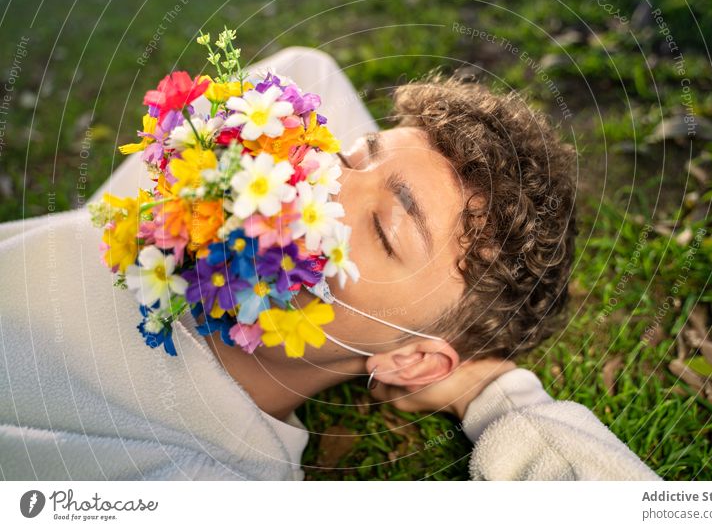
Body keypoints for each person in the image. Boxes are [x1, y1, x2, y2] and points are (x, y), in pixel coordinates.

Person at [0, 47, 660, 481]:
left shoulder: (194, 470)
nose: (313, 182)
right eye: (352, 155)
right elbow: (309, 74)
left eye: (383, 229)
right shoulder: (214, 192)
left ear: (412, 361)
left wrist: (497, 393)